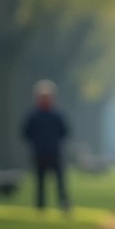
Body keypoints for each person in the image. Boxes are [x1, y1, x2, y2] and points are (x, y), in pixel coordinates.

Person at [21, 80, 70, 214]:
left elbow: (65, 132)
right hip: (39, 153)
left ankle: (63, 203)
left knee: (60, 181)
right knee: (40, 182)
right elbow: (26, 133)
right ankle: (40, 206)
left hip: (55, 152)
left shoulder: (57, 115)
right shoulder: (33, 115)